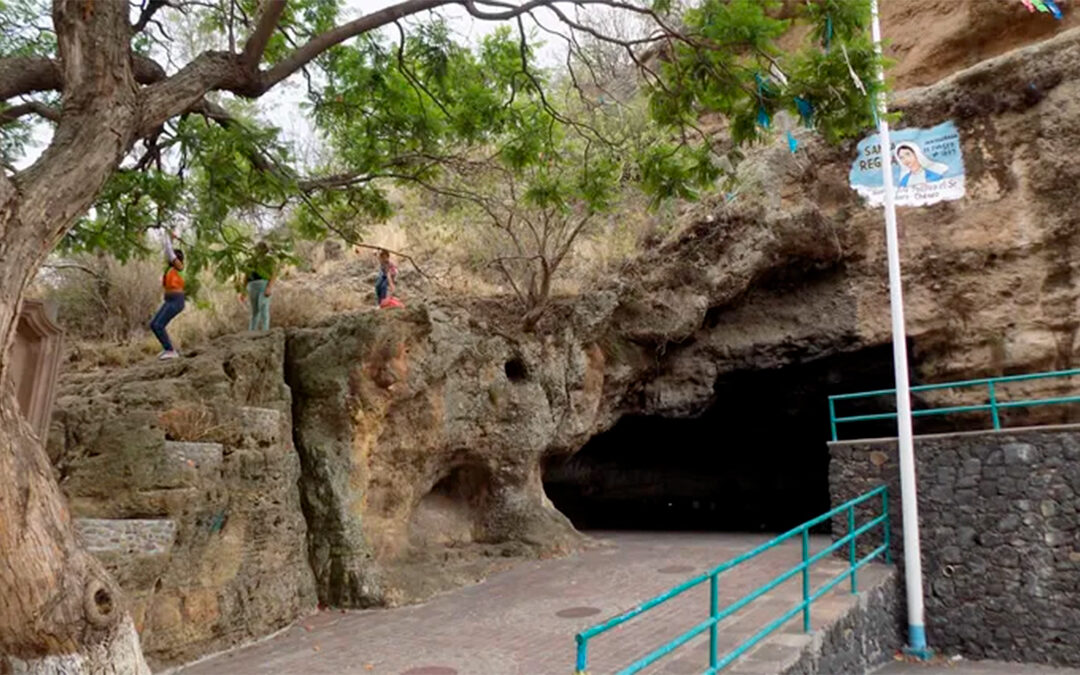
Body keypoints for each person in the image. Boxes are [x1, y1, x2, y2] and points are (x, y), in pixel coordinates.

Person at [150, 231, 185, 360]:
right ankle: (167, 348)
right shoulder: (170, 269)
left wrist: (168, 237)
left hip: (176, 301)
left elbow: (169, 251)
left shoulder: (180, 267)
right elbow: (167, 253)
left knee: (159, 325)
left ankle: (170, 350)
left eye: (174, 257)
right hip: (169, 300)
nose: (171, 258)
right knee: (154, 324)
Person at [239, 241, 276, 331]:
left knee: (263, 307)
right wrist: (243, 291)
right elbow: (246, 277)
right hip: (252, 286)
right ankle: (252, 331)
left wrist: (269, 287)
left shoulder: (269, 261)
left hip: (263, 285)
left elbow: (273, 275)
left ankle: (265, 331)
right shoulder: (251, 262)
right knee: (255, 311)